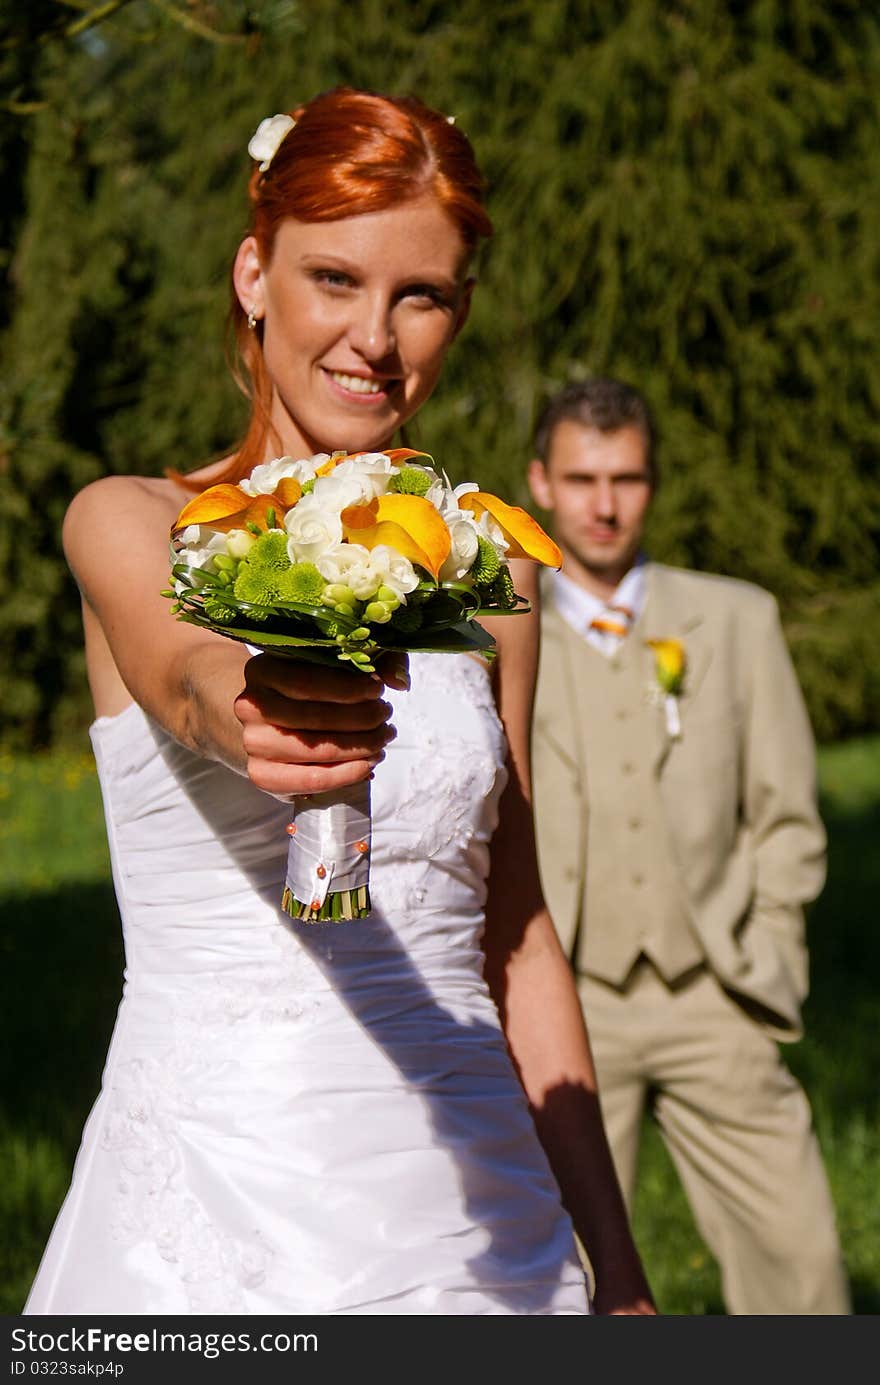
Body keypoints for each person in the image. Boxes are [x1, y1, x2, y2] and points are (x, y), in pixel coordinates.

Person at [25, 91, 654, 1316]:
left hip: (485, 1212)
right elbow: (187, 675)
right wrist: (256, 713)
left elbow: (516, 930)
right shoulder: (130, 518)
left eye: (422, 296)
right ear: (254, 273)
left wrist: (620, 1275)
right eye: (334, 278)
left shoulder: (493, 568)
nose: (377, 336)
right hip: (218, 1206)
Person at [527, 376, 851, 1315]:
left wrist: (771, 951)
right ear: (540, 483)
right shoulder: (498, 635)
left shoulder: (735, 619)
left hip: (716, 992)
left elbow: (785, 812)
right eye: (582, 478)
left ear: (652, 484)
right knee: (567, 1283)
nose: (603, 503)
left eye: (625, 478)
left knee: (803, 1263)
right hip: (569, 1006)